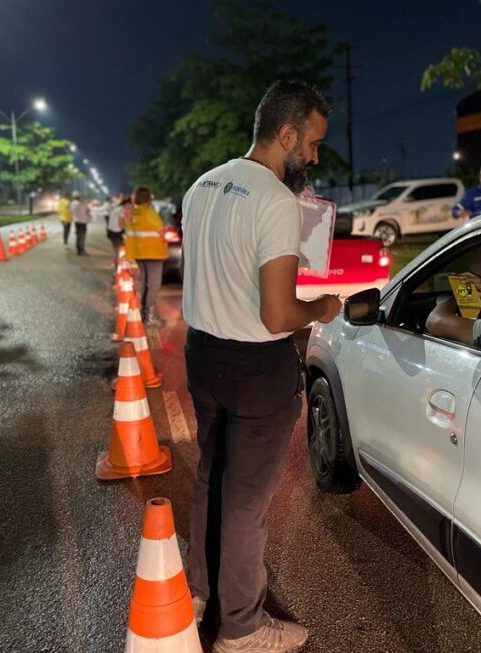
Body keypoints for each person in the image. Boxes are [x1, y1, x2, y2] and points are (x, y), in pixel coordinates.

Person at [181, 79, 342, 653]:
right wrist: (323, 306)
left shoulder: (200, 186)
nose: (315, 156)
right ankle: (242, 627)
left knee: (209, 480)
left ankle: (197, 592)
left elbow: (217, 273)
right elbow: (278, 315)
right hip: (256, 369)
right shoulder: (275, 201)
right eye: (313, 143)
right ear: (287, 133)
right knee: (245, 504)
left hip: (202, 355)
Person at [124, 186, 168, 326]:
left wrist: (129, 257)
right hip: (153, 253)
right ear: (148, 197)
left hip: (139, 254)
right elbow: (161, 231)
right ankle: (150, 317)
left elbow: (129, 236)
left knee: (145, 284)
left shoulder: (133, 214)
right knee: (154, 285)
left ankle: (144, 314)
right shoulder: (149, 212)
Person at [107, 195, 128, 262]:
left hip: (111, 232)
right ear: (127, 204)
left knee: (116, 250)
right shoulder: (122, 210)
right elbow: (121, 224)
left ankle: (116, 267)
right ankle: (117, 268)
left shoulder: (118, 208)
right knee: (119, 251)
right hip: (116, 233)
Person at [69, 191, 90, 256]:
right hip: (82, 222)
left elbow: (71, 211)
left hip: (77, 222)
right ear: (79, 197)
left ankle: (79, 250)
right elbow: (86, 211)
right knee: (82, 237)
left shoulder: (72, 203)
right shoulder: (79, 204)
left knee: (78, 236)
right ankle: (81, 251)